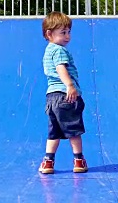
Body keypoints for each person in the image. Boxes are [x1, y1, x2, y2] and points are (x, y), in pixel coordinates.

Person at [39, 11, 88, 174]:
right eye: (63, 32)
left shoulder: (48, 50)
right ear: (49, 34)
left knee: (54, 132)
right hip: (66, 95)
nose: (67, 36)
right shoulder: (59, 50)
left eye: (68, 32)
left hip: (51, 97)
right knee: (74, 130)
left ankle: (48, 162)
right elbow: (61, 68)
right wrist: (70, 86)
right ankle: (79, 160)